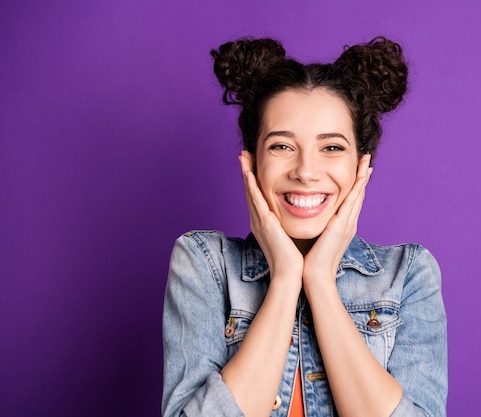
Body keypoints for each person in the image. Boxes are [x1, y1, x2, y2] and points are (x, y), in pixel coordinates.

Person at [162, 36, 447, 417]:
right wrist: (284, 279)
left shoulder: (408, 274)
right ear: (252, 162)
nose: (306, 172)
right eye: (282, 146)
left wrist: (321, 283)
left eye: (331, 147)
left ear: (361, 165)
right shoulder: (204, 264)